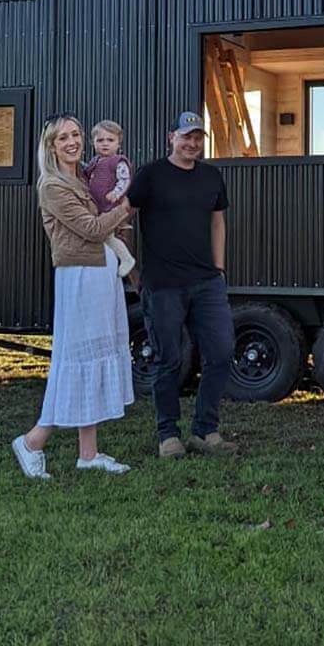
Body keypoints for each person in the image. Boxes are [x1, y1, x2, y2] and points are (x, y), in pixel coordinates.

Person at [11, 114, 135, 479]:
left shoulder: (83, 175)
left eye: (76, 134)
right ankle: (33, 441)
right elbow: (92, 229)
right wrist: (128, 205)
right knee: (75, 362)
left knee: (93, 357)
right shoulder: (52, 186)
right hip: (80, 278)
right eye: (63, 137)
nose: (72, 142)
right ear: (51, 146)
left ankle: (88, 453)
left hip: (100, 275)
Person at [127, 111, 237, 459]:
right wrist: (132, 272)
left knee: (220, 353)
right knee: (168, 359)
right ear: (170, 137)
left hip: (207, 283)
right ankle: (168, 435)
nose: (192, 143)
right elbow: (122, 220)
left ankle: (205, 431)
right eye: (185, 136)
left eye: (197, 138)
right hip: (163, 285)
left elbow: (218, 223)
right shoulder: (150, 175)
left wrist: (219, 268)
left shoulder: (211, 176)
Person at [83, 119, 137, 280]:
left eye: (110, 140)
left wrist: (116, 193)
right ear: (93, 142)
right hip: (97, 206)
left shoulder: (118, 161)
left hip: (111, 205)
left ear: (118, 143)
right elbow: (86, 174)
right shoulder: (95, 161)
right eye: (100, 140)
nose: (105, 144)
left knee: (107, 237)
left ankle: (126, 259)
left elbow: (124, 180)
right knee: (104, 237)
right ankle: (112, 262)